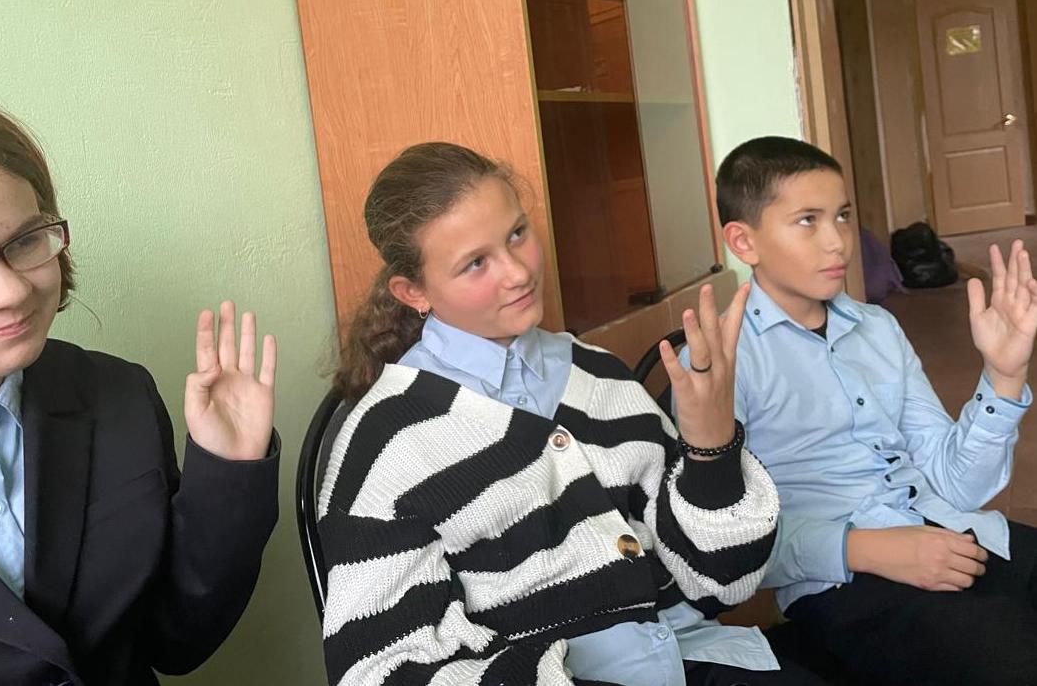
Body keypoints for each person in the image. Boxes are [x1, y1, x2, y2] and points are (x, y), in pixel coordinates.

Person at [319, 142, 827, 686]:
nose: (518, 272)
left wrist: (711, 447)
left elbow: (721, 580)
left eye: (518, 234)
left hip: (691, 658)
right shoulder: (386, 439)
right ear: (413, 291)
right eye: (475, 263)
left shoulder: (600, 375)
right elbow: (378, 668)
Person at [0, 82, 280, 686]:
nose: (11, 292)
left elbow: (175, 640)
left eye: (25, 241)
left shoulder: (118, 396)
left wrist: (228, 472)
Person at [716, 135, 1037, 686]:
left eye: (841, 216)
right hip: (843, 582)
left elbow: (956, 485)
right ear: (744, 241)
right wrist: (864, 549)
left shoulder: (878, 328)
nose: (837, 242)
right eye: (807, 221)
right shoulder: (724, 359)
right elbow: (719, 544)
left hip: (953, 532)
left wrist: (1003, 376)